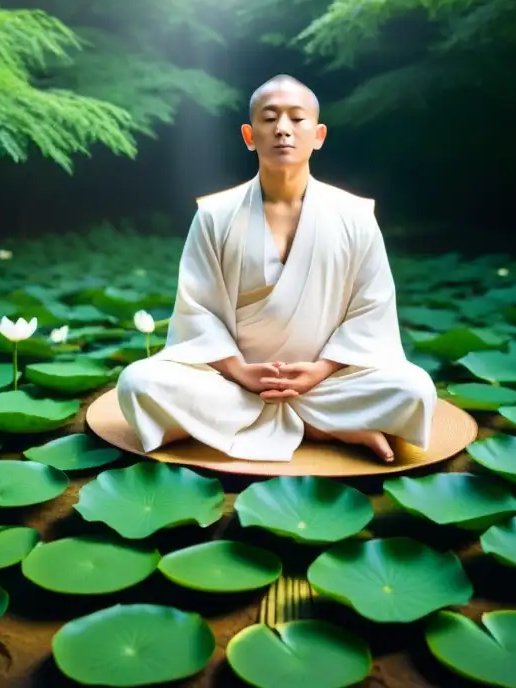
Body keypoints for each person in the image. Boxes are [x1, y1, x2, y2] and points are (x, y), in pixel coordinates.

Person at [116, 75, 437, 463]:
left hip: (326, 382)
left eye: (296, 119)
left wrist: (321, 369)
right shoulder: (215, 215)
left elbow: (372, 309)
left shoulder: (355, 215)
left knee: (415, 389)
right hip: (234, 384)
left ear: (318, 135)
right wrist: (240, 372)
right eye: (270, 119)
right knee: (138, 383)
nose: (283, 129)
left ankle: (287, 418)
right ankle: (325, 426)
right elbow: (196, 309)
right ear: (250, 135)